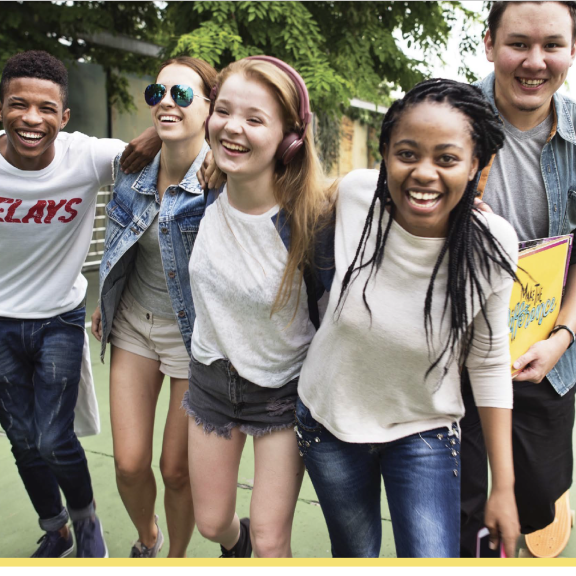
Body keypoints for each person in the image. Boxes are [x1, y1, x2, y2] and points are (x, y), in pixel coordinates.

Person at [295, 78, 521, 558]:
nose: (424, 173)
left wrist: (504, 486)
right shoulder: (355, 196)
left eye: (446, 158)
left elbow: (488, 360)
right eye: (407, 154)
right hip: (330, 424)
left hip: (425, 427)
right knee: (354, 556)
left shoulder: (492, 243)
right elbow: (278, 185)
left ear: (476, 165)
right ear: (384, 155)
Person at [0, 50, 159, 558]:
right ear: (1, 109)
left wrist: (159, 128)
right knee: (23, 440)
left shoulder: (85, 155)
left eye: (47, 108)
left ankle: (87, 522)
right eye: (18, 105)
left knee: (51, 439)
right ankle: (57, 528)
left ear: (64, 118)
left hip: (59, 320)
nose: (31, 118)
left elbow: (154, 152)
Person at [183, 56, 332, 558]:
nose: (232, 128)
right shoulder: (197, 195)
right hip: (211, 379)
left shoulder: (312, 220)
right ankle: (235, 543)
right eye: (223, 111)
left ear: (290, 136)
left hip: (282, 393)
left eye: (254, 119)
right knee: (212, 524)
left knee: (272, 542)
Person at [459, 1, 576, 556]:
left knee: (537, 499)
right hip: (452, 354)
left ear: (572, 51)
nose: (535, 61)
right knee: (461, 512)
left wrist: (563, 339)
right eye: (518, 44)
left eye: (552, 45)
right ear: (488, 44)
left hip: (542, 353)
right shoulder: (445, 117)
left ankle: (542, 511)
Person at [90, 56, 217, 558]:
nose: (166, 101)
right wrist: (108, 297)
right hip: (133, 325)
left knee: (176, 469)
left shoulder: (224, 179)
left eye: (182, 95)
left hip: (193, 337)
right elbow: (118, 242)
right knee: (128, 463)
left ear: (210, 107)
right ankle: (148, 537)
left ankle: (177, 560)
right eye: (157, 93)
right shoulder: (133, 168)